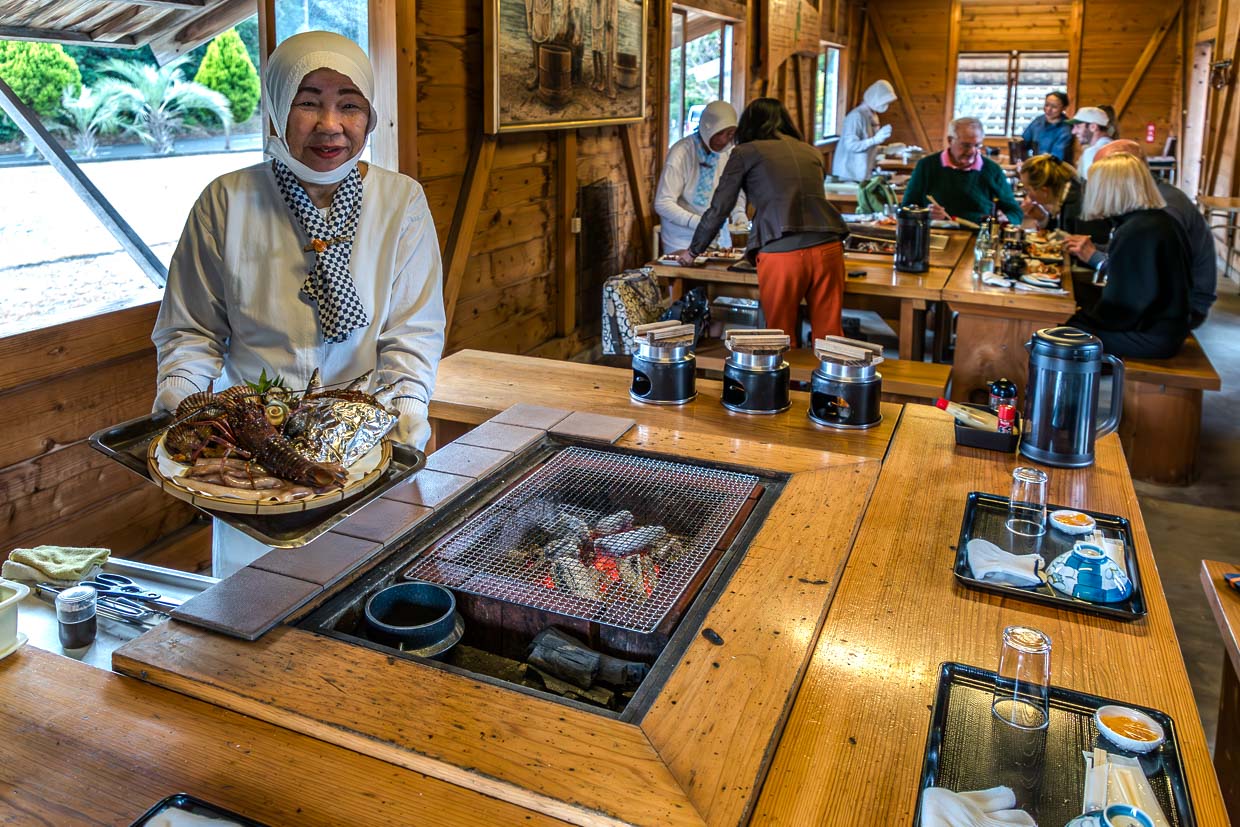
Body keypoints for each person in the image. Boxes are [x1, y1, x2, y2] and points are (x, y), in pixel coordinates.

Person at [152, 32, 446, 576]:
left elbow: (414, 328)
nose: (330, 124)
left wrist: (408, 404)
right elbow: (191, 329)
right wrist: (182, 393)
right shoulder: (227, 200)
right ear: (275, 108)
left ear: (371, 116)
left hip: (364, 429)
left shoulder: (400, 200)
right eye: (308, 101)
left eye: (350, 104)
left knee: (363, 586)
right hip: (251, 434)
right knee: (254, 596)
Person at [671, 98, 850, 343]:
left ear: (748, 125)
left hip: (782, 253)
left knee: (780, 336)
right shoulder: (811, 152)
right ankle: (833, 382)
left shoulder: (745, 152)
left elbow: (719, 207)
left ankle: (787, 383)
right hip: (829, 247)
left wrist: (693, 251)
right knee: (830, 338)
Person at [1064, 139, 1217, 327]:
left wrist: (1095, 258)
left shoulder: (1162, 211)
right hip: (1161, 313)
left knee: (1062, 325)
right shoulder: (1145, 216)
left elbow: (1139, 285)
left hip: (1177, 313)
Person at [1065, 152, 1192, 358]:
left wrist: (1080, 316)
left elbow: (1124, 308)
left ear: (1109, 189)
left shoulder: (1137, 231)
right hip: (1167, 328)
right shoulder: (1158, 220)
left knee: (1054, 330)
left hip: (1150, 336)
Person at [654, 101, 747, 254]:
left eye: (730, 134)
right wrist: (697, 222)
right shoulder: (681, 153)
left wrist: (739, 214)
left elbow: (734, 191)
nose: (724, 140)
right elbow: (663, 203)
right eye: (719, 133)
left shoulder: (729, 153)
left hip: (715, 236)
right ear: (707, 128)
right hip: (681, 239)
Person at [901, 116, 1022, 225]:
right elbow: (906, 209)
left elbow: (1016, 213)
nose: (972, 151)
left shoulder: (992, 169)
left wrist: (1006, 219)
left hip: (979, 237)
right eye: (966, 145)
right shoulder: (927, 166)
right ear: (949, 140)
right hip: (936, 235)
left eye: (977, 146)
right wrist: (926, 214)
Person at [1018, 153, 1108, 241]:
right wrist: (1042, 218)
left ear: (1044, 190)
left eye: (1028, 190)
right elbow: (1060, 233)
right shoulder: (1065, 194)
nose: (1028, 196)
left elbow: (1085, 248)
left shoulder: (1079, 205)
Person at [831, 79, 897, 182]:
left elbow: (868, 145)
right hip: (849, 174)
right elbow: (852, 145)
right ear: (875, 98)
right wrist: (875, 140)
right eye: (884, 101)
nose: (886, 105)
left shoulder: (872, 115)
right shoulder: (856, 116)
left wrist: (886, 149)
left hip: (862, 172)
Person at [1020, 91, 1073, 161]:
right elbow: (1023, 143)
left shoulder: (1066, 129)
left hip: (1056, 168)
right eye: (1046, 105)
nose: (1048, 109)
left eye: (1054, 107)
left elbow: (1056, 158)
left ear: (1064, 108)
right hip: (1036, 164)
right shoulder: (1038, 121)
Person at [1069, 106, 1113, 179]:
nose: (1073, 131)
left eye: (1078, 127)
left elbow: (1089, 186)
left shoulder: (1092, 152)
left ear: (1093, 127)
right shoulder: (1113, 146)